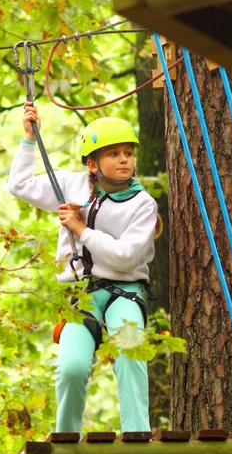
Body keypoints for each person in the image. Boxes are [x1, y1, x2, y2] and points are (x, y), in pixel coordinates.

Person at [8, 102, 157, 434]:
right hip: (81, 297)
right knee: (72, 368)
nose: (124, 160)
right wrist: (29, 139)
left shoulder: (142, 204)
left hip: (126, 293)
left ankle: (138, 435)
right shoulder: (71, 186)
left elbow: (126, 257)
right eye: (114, 154)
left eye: (128, 154)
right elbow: (20, 186)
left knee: (130, 350)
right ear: (93, 164)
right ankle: (66, 440)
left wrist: (80, 229)